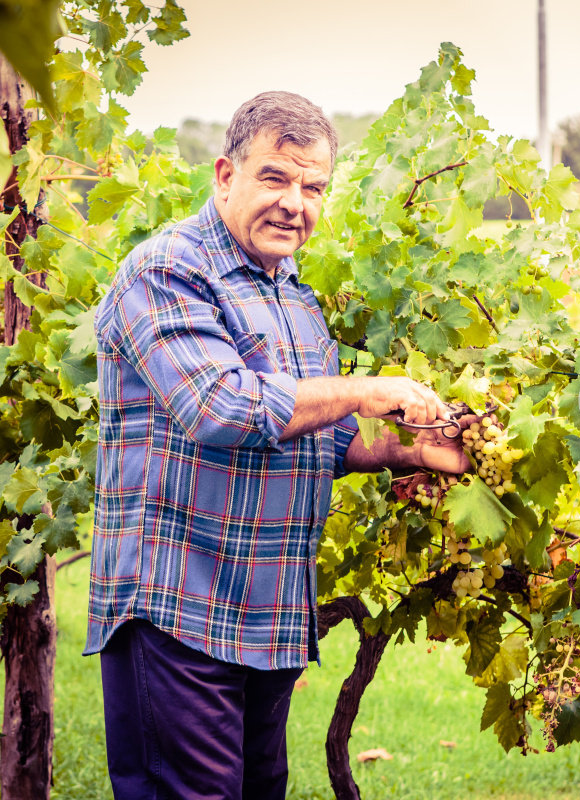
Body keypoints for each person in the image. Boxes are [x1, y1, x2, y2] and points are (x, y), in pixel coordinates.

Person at [84, 90, 472, 800]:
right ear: (225, 175)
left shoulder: (291, 293)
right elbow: (221, 407)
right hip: (180, 611)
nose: (296, 203)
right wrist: (360, 387)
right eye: (276, 177)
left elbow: (308, 437)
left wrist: (409, 448)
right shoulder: (167, 270)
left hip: (265, 617)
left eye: (314, 186)